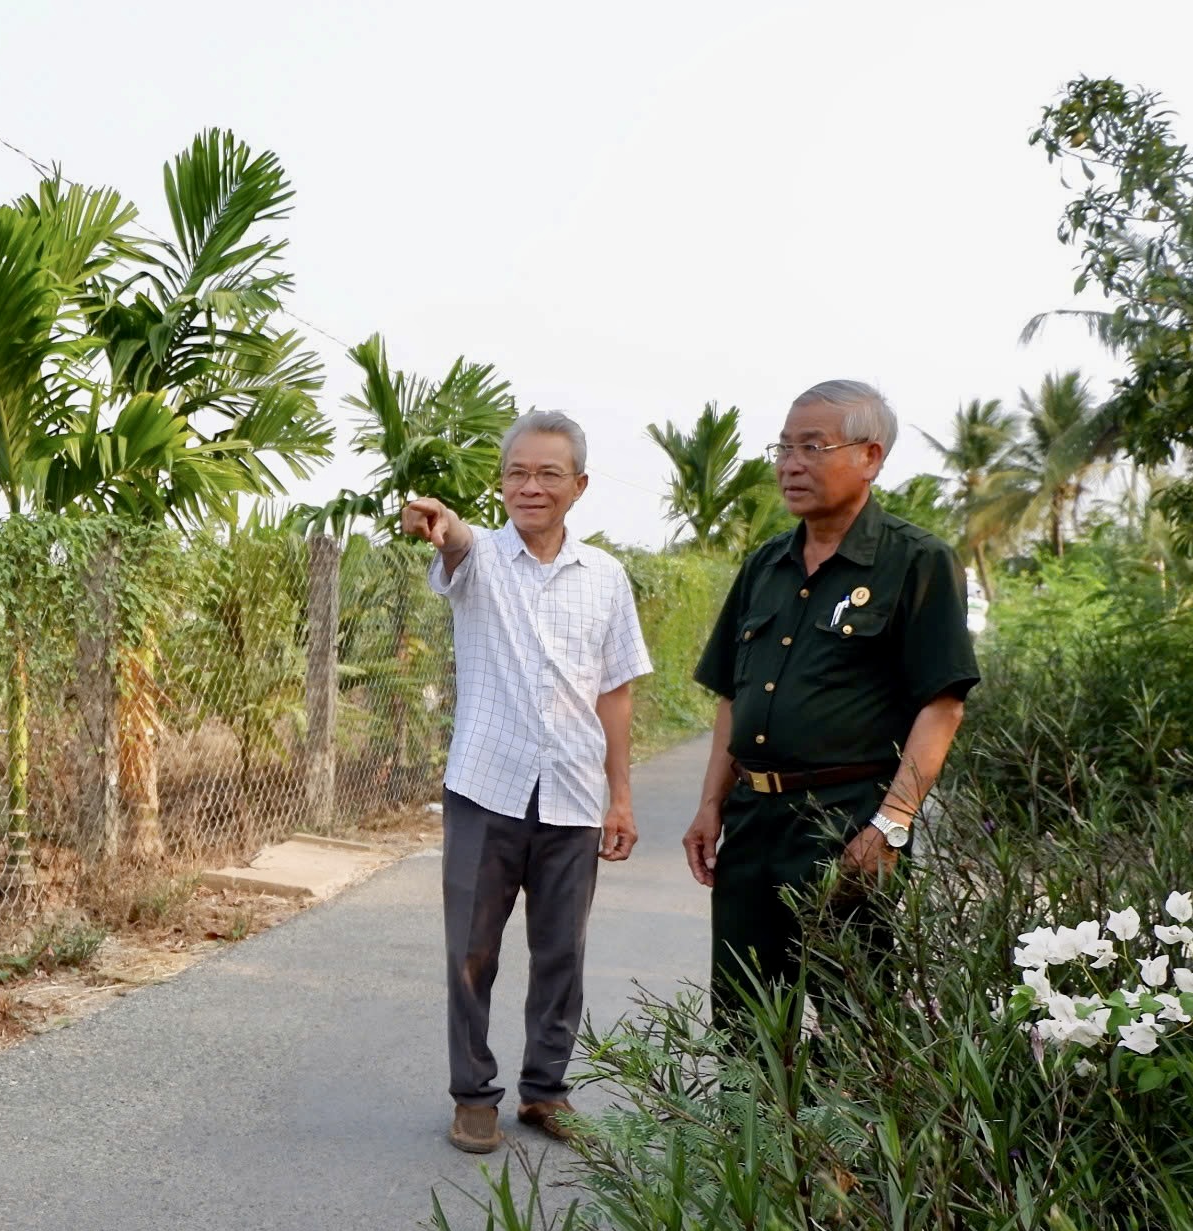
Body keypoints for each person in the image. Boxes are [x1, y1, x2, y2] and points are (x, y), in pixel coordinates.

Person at [681, 380, 979, 1016]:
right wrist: (710, 805)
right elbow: (733, 695)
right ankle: (746, 1121)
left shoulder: (916, 562)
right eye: (783, 447)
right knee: (745, 1016)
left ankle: (853, 1122)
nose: (791, 464)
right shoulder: (765, 565)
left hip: (842, 823)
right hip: (752, 822)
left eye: (813, 447)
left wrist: (891, 825)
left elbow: (942, 705)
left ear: (870, 457)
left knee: (854, 1018)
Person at [401, 409, 653, 1155]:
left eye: (548, 473)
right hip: (488, 786)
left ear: (578, 485)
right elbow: (455, 541)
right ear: (502, 483)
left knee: (561, 954)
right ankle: (473, 1094)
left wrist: (622, 795)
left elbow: (616, 691)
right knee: (471, 949)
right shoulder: (479, 558)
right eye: (517, 473)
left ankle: (546, 1089)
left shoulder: (605, 576)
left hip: (574, 791)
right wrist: (441, 524)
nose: (530, 487)